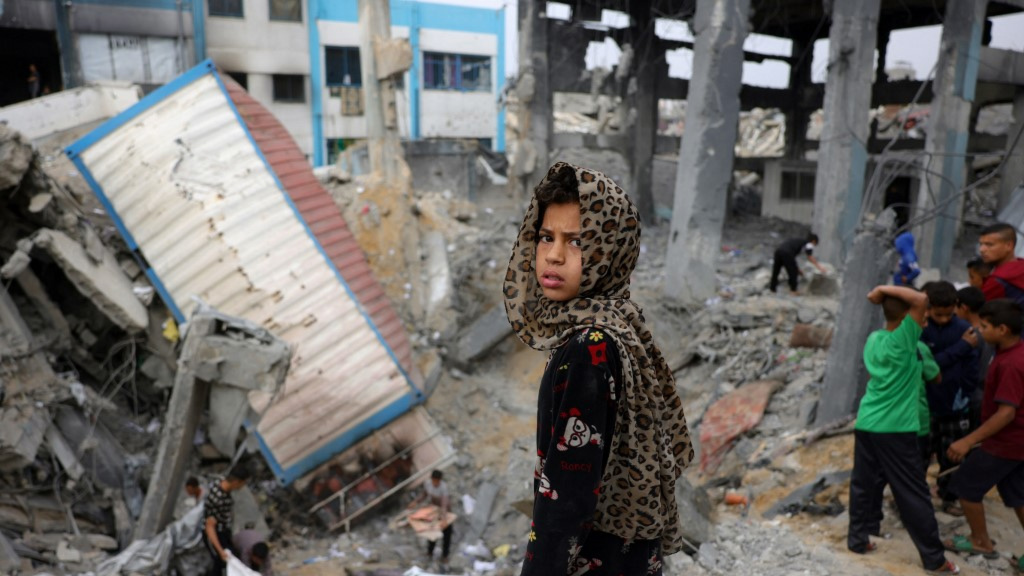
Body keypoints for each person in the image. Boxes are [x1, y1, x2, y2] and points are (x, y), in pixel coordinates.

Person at [504, 162, 693, 575]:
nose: (553, 255)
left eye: (576, 242)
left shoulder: (590, 348)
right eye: (546, 237)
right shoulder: (618, 327)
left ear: (610, 251)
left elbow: (567, 497)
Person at [847, 284, 959, 574]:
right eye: (921, 319)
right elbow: (921, 299)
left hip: (867, 422)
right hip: (895, 429)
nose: (925, 323)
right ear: (907, 319)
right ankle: (935, 559)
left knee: (862, 483)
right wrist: (882, 288)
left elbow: (913, 306)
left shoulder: (875, 338)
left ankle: (857, 540)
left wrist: (883, 298)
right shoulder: (904, 341)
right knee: (913, 493)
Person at [945, 299, 1024, 573]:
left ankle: (980, 541)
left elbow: (1006, 413)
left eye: (985, 326)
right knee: (1018, 495)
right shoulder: (1013, 353)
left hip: (1006, 441)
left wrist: (968, 440)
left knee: (966, 486)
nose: (978, 329)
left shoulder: (1011, 364)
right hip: (1017, 442)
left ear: (1002, 329)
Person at [920, 281, 979, 515]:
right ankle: (918, 498)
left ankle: (949, 496)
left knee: (952, 456)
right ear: (928, 308)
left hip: (955, 405)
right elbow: (928, 366)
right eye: (938, 314)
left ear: (956, 305)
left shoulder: (964, 329)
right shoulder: (921, 329)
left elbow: (971, 369)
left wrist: (964, 393)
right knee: (922, 454)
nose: (943, 319)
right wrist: (961, 347)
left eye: (948, 314)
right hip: (926, 404)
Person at [958, 286, 995, 430]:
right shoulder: (990, 333)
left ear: (964, 308)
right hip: (984, 393)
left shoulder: (969, 336)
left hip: (971, 396)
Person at [203, 467, 250, 575]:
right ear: (237, 482)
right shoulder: (217, 498)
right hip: (215, 533)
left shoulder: (221, 484)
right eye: (243, 483)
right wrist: (220, 550)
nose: (242, 487)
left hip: (223, 529)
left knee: (230, 557)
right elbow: (209, 526)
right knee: (220, 562)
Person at [406, 470, 453, 571]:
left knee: (447, 533)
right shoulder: (428, 484)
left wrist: (444, 519)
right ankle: (430, 552)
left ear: (440, 480)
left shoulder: (443, 487)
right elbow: (424, 495)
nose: (434, 482)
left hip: (445, 511)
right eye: (433, 480)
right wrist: (415, 502)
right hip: (434, 510)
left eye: (436, 481)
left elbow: (444, 504)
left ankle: (445, 555)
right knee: (432, 532)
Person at [978, 223, 1024, 305]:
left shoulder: (998, 281)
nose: (982, 249)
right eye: (981, 244)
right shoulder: (1020, 266)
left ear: (1009, 246)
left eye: (989, 245)